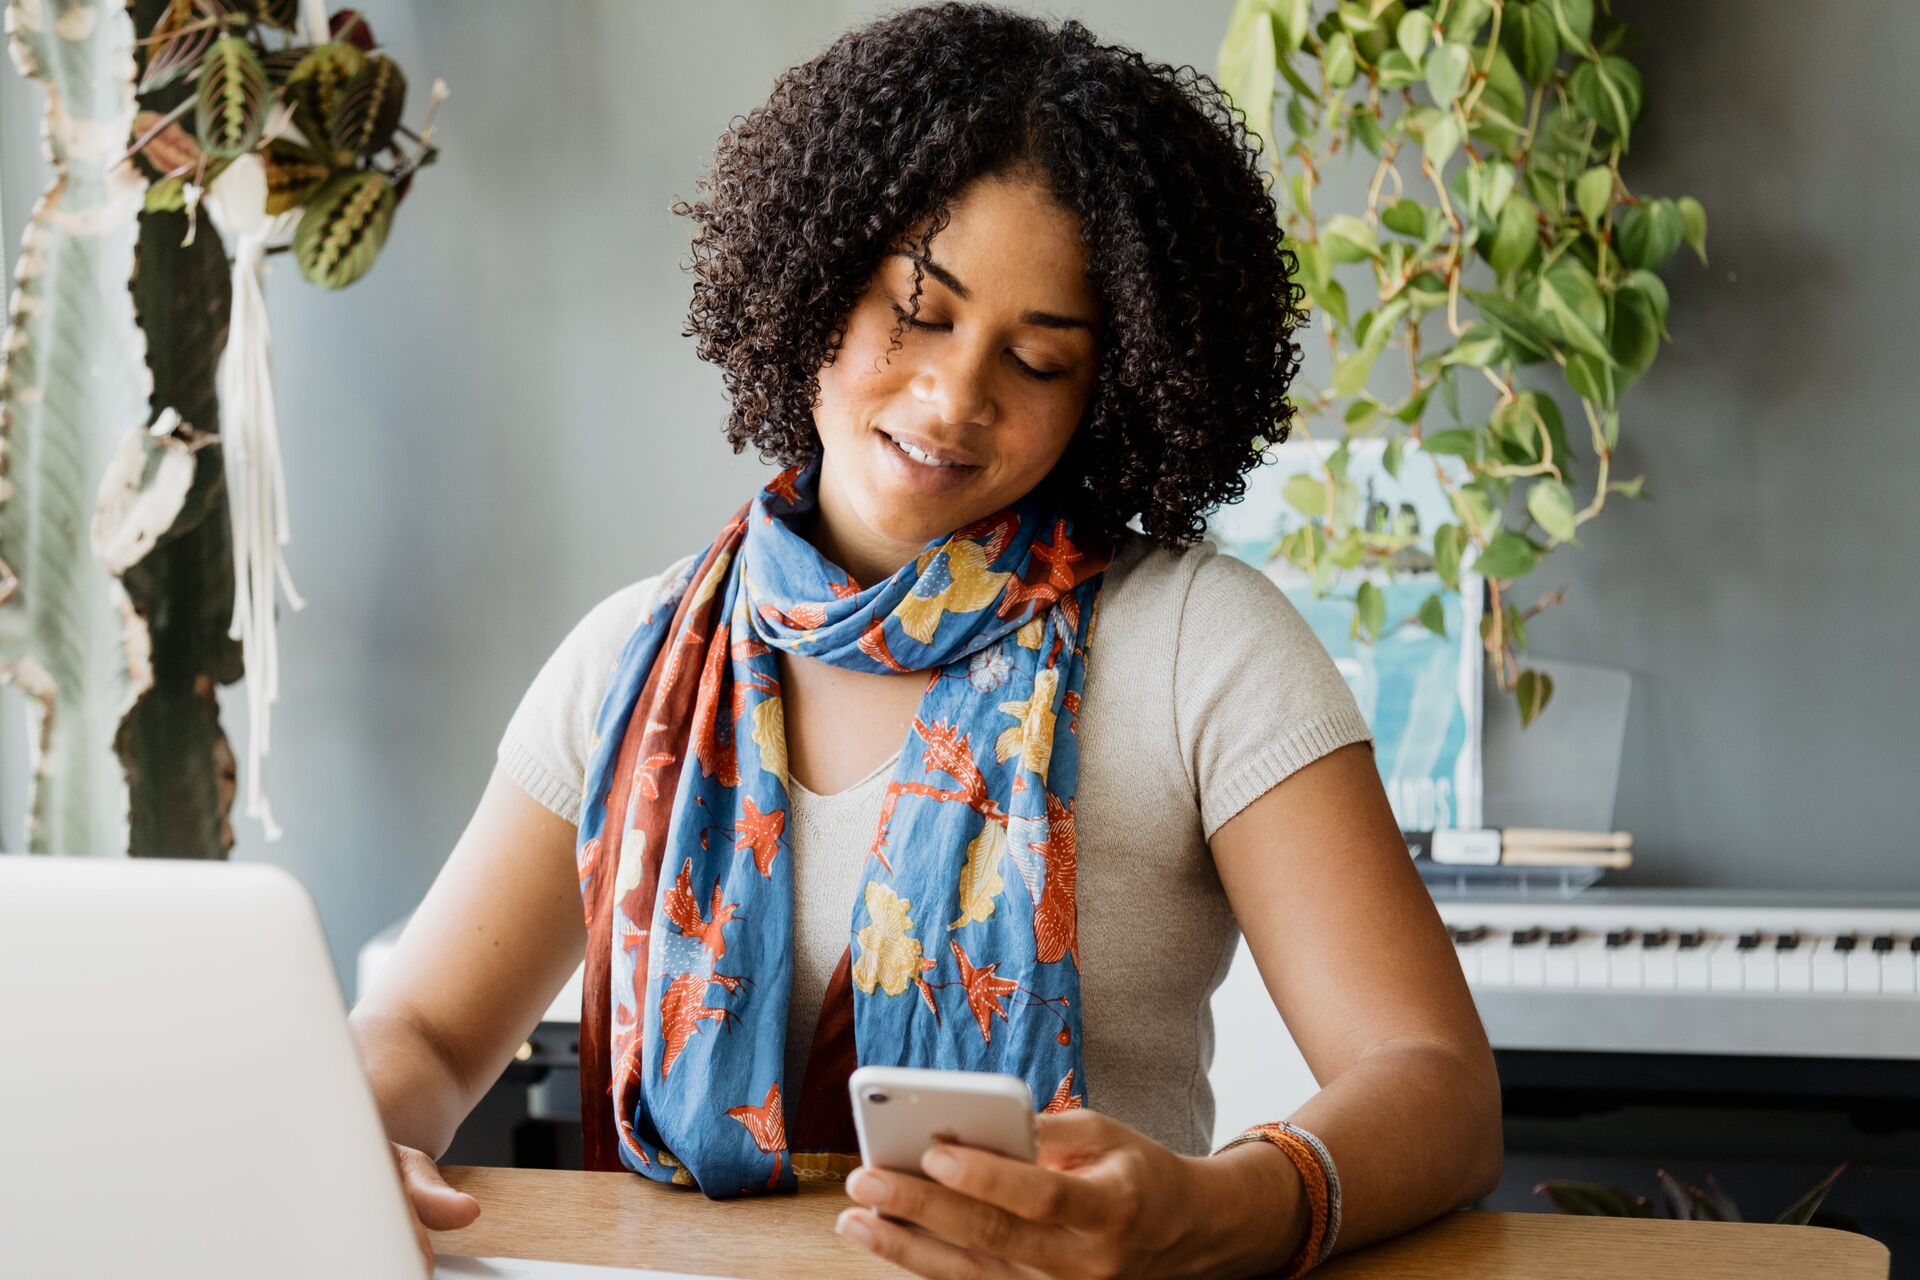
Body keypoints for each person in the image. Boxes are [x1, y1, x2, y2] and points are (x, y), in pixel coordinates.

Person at [349, 5, 1502, 1277]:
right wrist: (350, 1136)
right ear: (816, 275)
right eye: (918, 309)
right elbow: (421, 1031)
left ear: (1112, 387)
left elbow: (1436, 1082)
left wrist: (1219, 1209)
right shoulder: (632, 658)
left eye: (1039, 360)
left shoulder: (1200, 645)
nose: (956, 397)